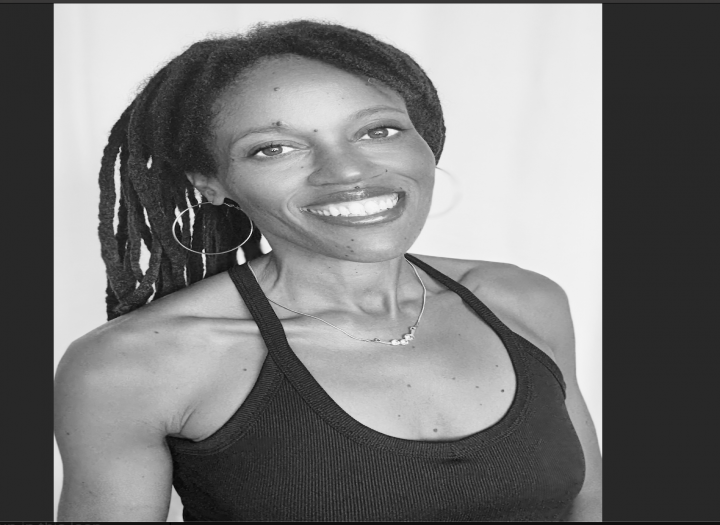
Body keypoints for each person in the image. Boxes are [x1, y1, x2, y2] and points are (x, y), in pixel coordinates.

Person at [54, 20, 601, 522]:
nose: (347, 171)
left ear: (426, 141)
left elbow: (592, 503)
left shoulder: (522, 301)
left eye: (378, 131)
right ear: (211, 184)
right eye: (274, 148)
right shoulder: (137, 364)